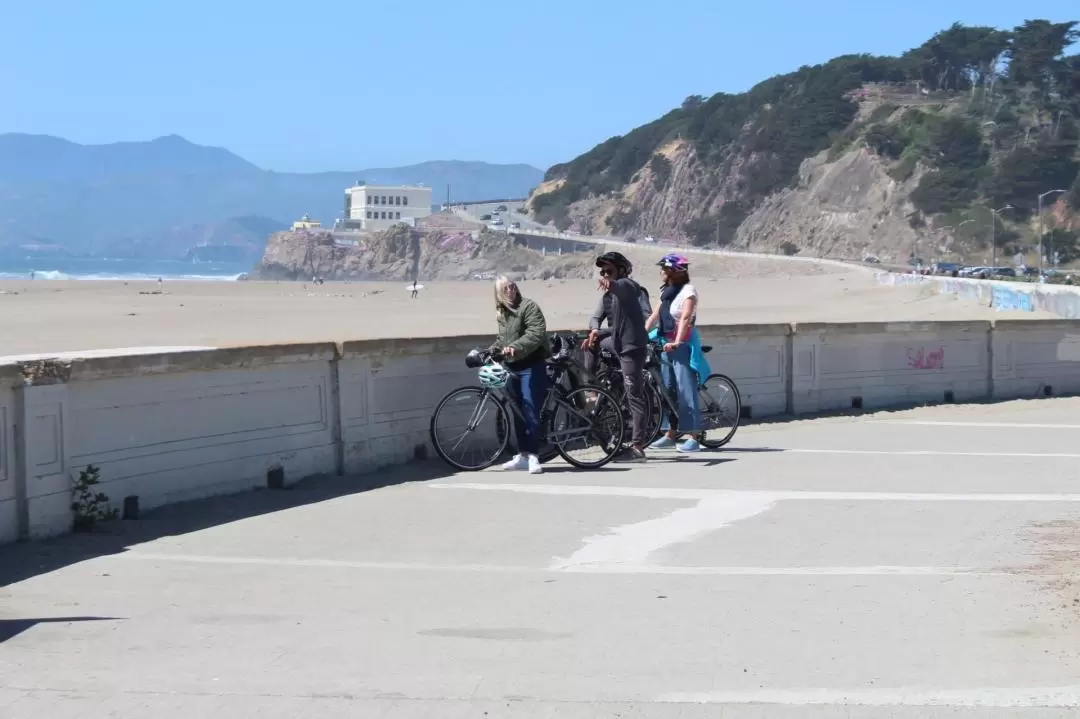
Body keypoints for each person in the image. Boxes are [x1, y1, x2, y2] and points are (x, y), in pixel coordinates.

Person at [583, 251, 650, 463]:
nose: (604, 274)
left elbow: (621, 288)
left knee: (634, 396)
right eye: (602, 272)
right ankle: (591, 389)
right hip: (616, 340)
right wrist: (595, 330)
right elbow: (595, 317)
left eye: (608, 271)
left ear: (621, 271)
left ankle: (638, 447)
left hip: (631, 345)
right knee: (589, 343)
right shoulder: (607, 297)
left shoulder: (630, 287)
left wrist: (611, 283)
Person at [490, 275, 550, 474]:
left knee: (530, 408)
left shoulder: (528, 306)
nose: (511, 290)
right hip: (512, 367)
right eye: (506, 288)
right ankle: (523, 455)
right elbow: (502, 338)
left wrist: (515, 347)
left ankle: (534, 455)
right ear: (499, 293)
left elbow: (536, 332)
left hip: (531, 365)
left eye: (512, 286)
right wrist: (491, 350)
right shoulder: (503, 313)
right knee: (517, 412)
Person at [646, 253, 702, 453]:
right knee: (666, 389)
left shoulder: (688, 291)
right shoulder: (667, 292)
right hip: (664, 343)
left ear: (674, 271)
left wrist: (678, 341)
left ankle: (694, 436)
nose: (661, 271)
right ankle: (670, 433)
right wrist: (642, 333)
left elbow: (686, 317)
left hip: (682, 344)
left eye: (664, 268)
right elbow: (654, 316)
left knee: (685, 389)